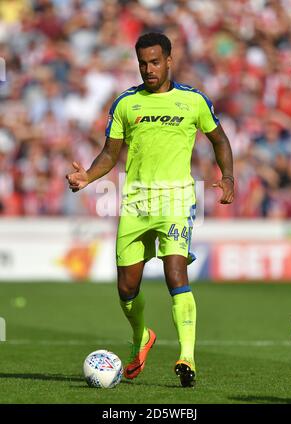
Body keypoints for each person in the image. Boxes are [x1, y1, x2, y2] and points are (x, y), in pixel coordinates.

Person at [66, 32, 234, 388]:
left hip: (176, 200)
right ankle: (141, 336)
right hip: (136, 203)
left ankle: (187, 357)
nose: (148, 69)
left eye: (155, 61)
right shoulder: (127, 103)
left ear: (169, 60)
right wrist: (87, 178)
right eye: (142, 63)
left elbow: (219, 138)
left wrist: (228, 176)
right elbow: (111, 153)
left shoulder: (193, 101)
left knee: (176, 273)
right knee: (127, 288)